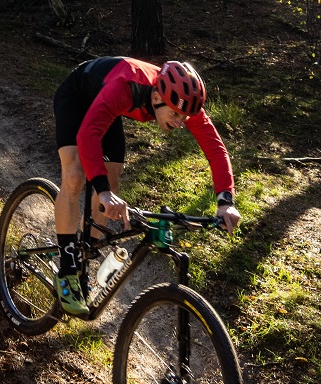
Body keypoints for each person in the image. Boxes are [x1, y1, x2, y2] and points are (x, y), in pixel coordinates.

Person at [52, 56, 241, 316]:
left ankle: (87, 260)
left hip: (107, 106)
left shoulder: (182, 101)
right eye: (175, 114)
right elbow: (88, 134)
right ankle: (67, 267)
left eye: (184, 117)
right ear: (155, 99)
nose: (179, 123)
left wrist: (226, 202)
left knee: (112, 181)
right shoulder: (127, 85)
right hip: (78, 96)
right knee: (75, 175)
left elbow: (216, 150)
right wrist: (102, 191)